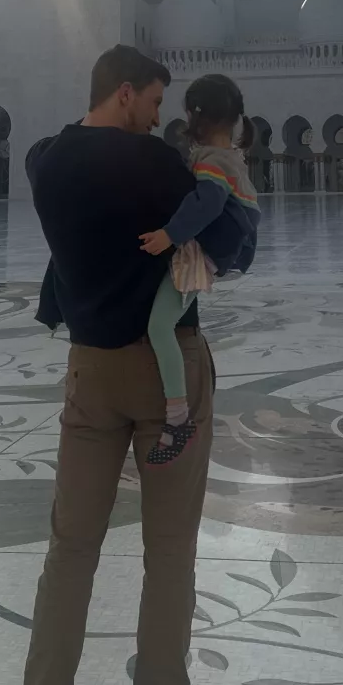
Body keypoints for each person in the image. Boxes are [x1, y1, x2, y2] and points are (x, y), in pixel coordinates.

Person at [0, 45, 210, 685]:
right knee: (168, 553)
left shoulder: (45, 162)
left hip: (91, 373)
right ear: (123, 93)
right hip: (168, 373)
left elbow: (56, 147)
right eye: (150, 101)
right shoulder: (159, 166)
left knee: (70, 549)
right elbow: (225, 236)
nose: (155, 116)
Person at [138, 73, 259, 465]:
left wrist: (168, 235)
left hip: (203, 252)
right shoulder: (228, 157)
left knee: (159, 327)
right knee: (163, 321)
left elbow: (207, 204)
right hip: (214, 250)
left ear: (197, 117)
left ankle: (177, 417)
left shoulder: (214, 160)